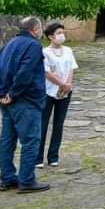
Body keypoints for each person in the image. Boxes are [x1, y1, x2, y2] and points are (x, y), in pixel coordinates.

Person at [0, 17, 50, 193]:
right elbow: (25, 72)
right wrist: (12, 94)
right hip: (25, 100)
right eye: (40, 29)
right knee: (31, 140)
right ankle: (27, 180)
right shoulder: (33, 46)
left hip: (8, 100)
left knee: (7, 140)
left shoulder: (9, 44)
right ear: (35, 29)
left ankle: (7, 177)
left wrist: (0, 93)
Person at [36, 22, 78, 168]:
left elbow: (72, 68)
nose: (62, 35)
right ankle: (38, 157)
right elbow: (46, 72)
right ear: (50, 36)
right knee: (43, 123)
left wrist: (67, 84)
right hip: (48, 91)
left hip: (65, 92)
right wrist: (61, 83)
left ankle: (53, 155)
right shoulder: (45, 52)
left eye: (63, 32)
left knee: (58, 124)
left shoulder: (68, 50)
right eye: (59, 33)